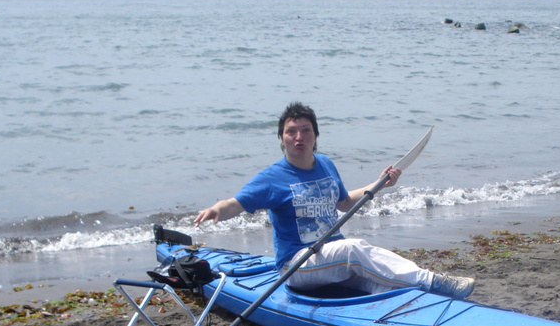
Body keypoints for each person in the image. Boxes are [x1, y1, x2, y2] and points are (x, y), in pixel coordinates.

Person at [194, 102, 474, 299]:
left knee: (383, 284)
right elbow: (237, 202)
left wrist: (380, 184)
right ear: (282, 138)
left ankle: (425, 301)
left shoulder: (325, 164)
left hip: (331, 258)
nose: (299, 137)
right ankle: (434, 281)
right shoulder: (272, 178)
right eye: (291, 131)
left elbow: (343, 202)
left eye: (306, 130)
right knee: (354, 249)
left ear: (315, 136)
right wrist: (216, 209)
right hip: (297, 264)